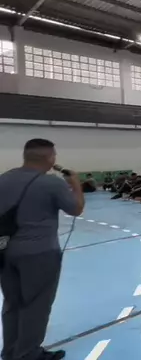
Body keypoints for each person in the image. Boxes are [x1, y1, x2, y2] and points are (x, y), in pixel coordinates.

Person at [0, 139, 85, 360]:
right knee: (35, 304)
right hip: (39, 253)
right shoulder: (51, 183)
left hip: (5, 251)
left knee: (12, 303)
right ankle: (29, 354)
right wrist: (75, 184)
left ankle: (10, 352)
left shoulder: (3, 179)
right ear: (49, 158)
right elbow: (76, 209)